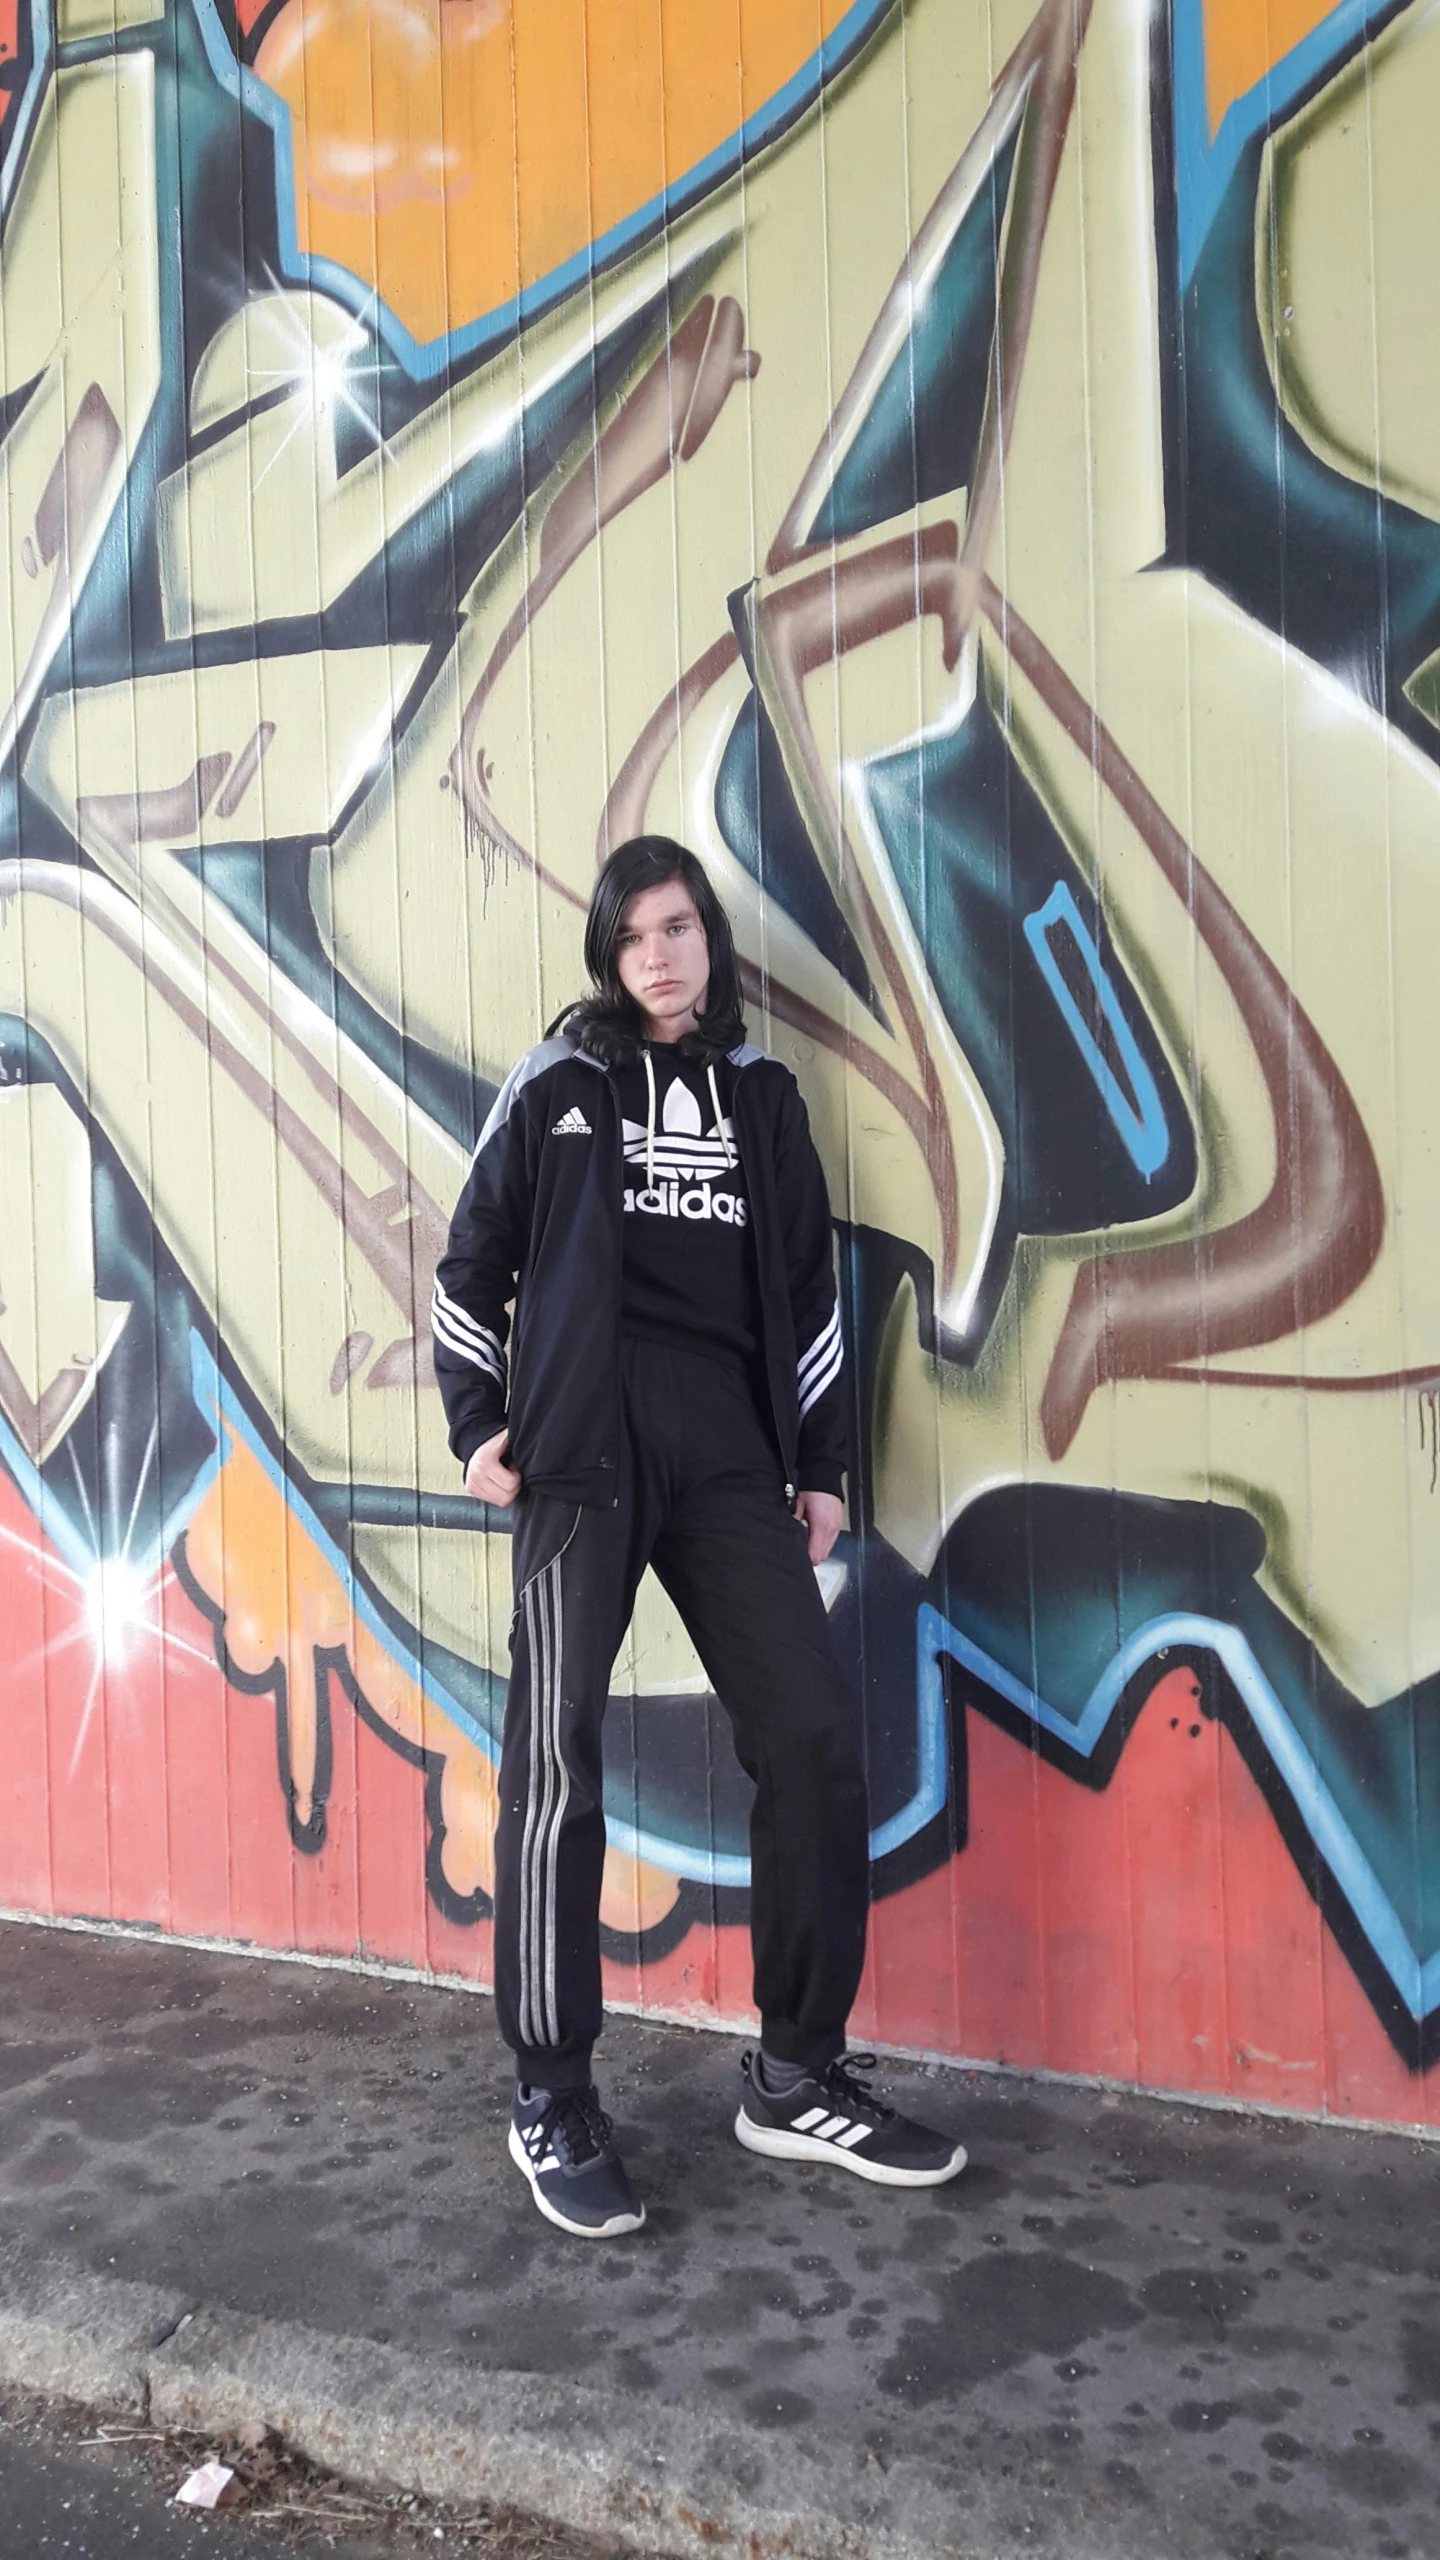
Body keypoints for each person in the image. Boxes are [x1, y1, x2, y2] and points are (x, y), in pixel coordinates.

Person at [432, 836, 967, 2237]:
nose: (660, 955)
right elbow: (467, 1266)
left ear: (711, 943)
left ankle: (794, 2073)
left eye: (681, 928)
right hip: (580, 1458)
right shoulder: (557, 1088)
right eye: (634, 935)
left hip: (729, 1457)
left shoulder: (763, 1100)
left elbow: (808, 1293)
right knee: (556, 1759)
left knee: (810, 1732)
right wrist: (478, 1424)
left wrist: (819, 1464)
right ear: (608, 956)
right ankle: (552, 2091)